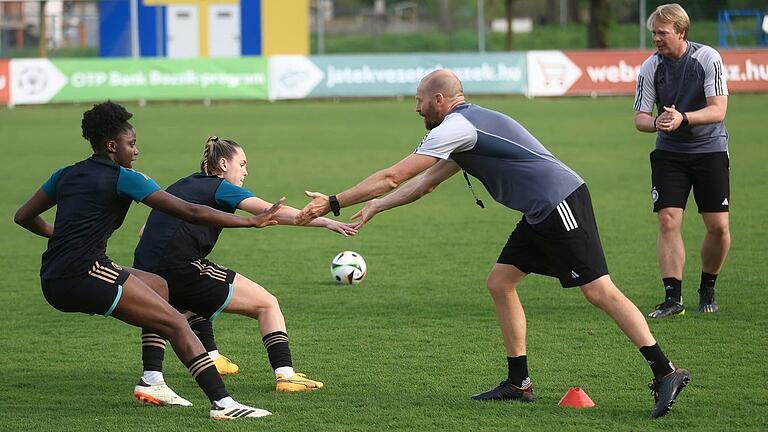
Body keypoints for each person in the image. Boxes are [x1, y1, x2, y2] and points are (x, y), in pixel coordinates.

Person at [296, 69, 689, 419]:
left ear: (439, 100)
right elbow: (424, 183)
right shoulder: (465, 128)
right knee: (500, 282)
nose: (416, 109)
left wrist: (332, 202)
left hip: (559, 203)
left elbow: (393, 175)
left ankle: (665, 371)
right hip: (540, 211)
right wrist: (376, 206)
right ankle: (519, 383)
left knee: (598, 290)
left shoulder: (457, 127)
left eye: (419, 101)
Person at [14, 101, 279, 420]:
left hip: (53, 276)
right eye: (131, 143)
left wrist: (61, 237)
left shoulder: (66, 174)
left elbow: (23, 216)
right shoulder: (125, 178)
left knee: (156, 285)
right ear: (112, 145)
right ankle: (224, 404)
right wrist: (250, 221)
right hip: (83, 274)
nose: (136, 150)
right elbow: (190, 211)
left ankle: (152, 379)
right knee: (177, 322)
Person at [132, 136, 357, 405]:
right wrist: (325, 223)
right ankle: (286, 375)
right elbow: (271, 211)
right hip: (180, 268)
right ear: (224, 164)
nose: (246, 171)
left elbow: (144, 230)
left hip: (147, 272)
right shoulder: (221, 187)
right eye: (243, 164)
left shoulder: (182, 184)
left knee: (189, 300)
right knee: (267, 304)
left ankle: (208, 359)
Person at [633, 3, 730, 318]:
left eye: (662, 33)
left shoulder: (707, 58)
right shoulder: (650, 67)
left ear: (681, 32)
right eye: (654, 33)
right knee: (668, 220)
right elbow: (640, 119)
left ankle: (707, 286)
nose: (656, 39)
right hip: (670, 154)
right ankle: (672, 298)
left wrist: (683, 118)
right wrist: (660, 122)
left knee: (717, 227)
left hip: (710, 149)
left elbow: (718, 110)